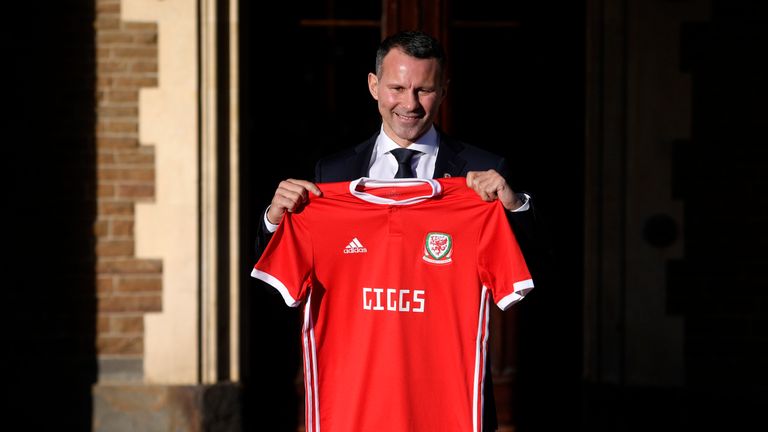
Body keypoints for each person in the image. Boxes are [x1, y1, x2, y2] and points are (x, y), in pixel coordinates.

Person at [255, 30, 546, 432]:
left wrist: (514, 207)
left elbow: (527, 270)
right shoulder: (331, 174)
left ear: (443, 91)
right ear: (374, 86)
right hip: (356, 405)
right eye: (397, 88)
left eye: (424, 90)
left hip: (448, 407)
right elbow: (280, 278)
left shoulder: (482, 169)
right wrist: (274, 218)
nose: (409, 104)